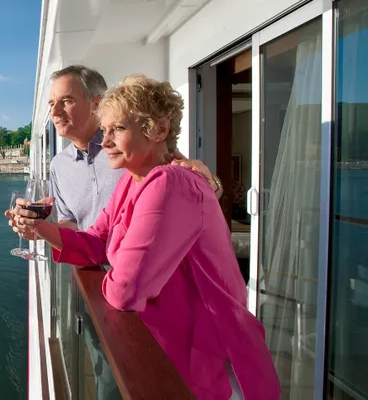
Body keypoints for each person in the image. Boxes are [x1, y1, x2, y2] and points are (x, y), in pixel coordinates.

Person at [29, 74, 280, 400]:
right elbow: (95, 239)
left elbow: (126, 292)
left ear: (159, 130)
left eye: (117, 129)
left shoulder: (171, 183)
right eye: (104, 130)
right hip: (173, 353)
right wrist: (39, 228)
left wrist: (111, 271)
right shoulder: (131, 182)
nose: (105, 141)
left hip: (210, 366)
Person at [6, 65, 222, 399]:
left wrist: (205, 181)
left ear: (95, 102)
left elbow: (181, 178)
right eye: (51, 103)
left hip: (155, 296)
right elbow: (82, 229)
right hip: (101, 290)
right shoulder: (63, 166)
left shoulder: (142, 159)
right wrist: (40, 228)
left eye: (65, 100)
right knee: (108, 375)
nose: (54, 111)